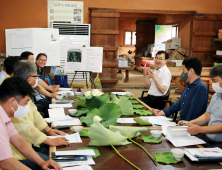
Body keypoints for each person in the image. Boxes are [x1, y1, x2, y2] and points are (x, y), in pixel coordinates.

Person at [11, 60, 69, 161]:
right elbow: (25, 128)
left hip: (29, 143)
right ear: (29, 79)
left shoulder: (23, 91)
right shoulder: (15, 96)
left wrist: (48, 130)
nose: (37, 79)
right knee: (55, 159)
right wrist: (50, 141)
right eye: (36, 77)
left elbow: (34, 113)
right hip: (17, 154)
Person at [0, 77, 62, 170]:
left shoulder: (6, 118)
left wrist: (42, 162)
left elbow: (20, 142)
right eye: (25, 102)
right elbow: (6, 162)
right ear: (12, 102)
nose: (27, 107)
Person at [178, 64, 222, 148]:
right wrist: (190, 123)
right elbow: (207, 115)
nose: (213, 84)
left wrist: (200, 129)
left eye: (215, 81)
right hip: (209, 138)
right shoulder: (216, 95)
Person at [153, 57, 208, 121]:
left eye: (183, 70)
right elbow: (180, 103)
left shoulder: (201, 87)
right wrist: (163, 112)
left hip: (190, 126)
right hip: (182, 123)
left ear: (191, 71)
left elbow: (195, 111)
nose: (182, 73)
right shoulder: (188, 85)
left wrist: (186, 124)